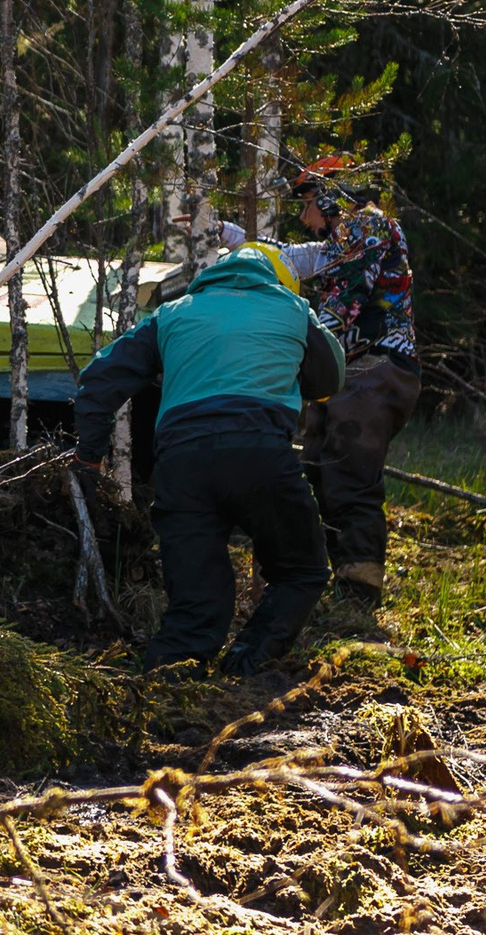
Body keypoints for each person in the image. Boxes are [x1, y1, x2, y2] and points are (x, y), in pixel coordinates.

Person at [73, 245, 345, 675]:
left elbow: (100, 377)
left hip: (183, 464)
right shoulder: (293, 308)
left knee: (194, 603)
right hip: (262, 456)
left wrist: (89, 457)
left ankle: (166, 689)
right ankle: (248, 664)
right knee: (302, 569)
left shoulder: (172, 313)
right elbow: (329, 379)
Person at [220, 158, 420, 601]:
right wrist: (239, 242)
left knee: (349, 474)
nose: (305, 217)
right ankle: (338, 580)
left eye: (308, 203)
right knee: (318, 469)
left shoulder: (369, 225)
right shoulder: (347, 240)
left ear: (331, 197)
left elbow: (344, 300)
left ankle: (359, 591)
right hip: (348, 370)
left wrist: (288, 344)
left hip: (376, 366)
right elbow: (299, 259)